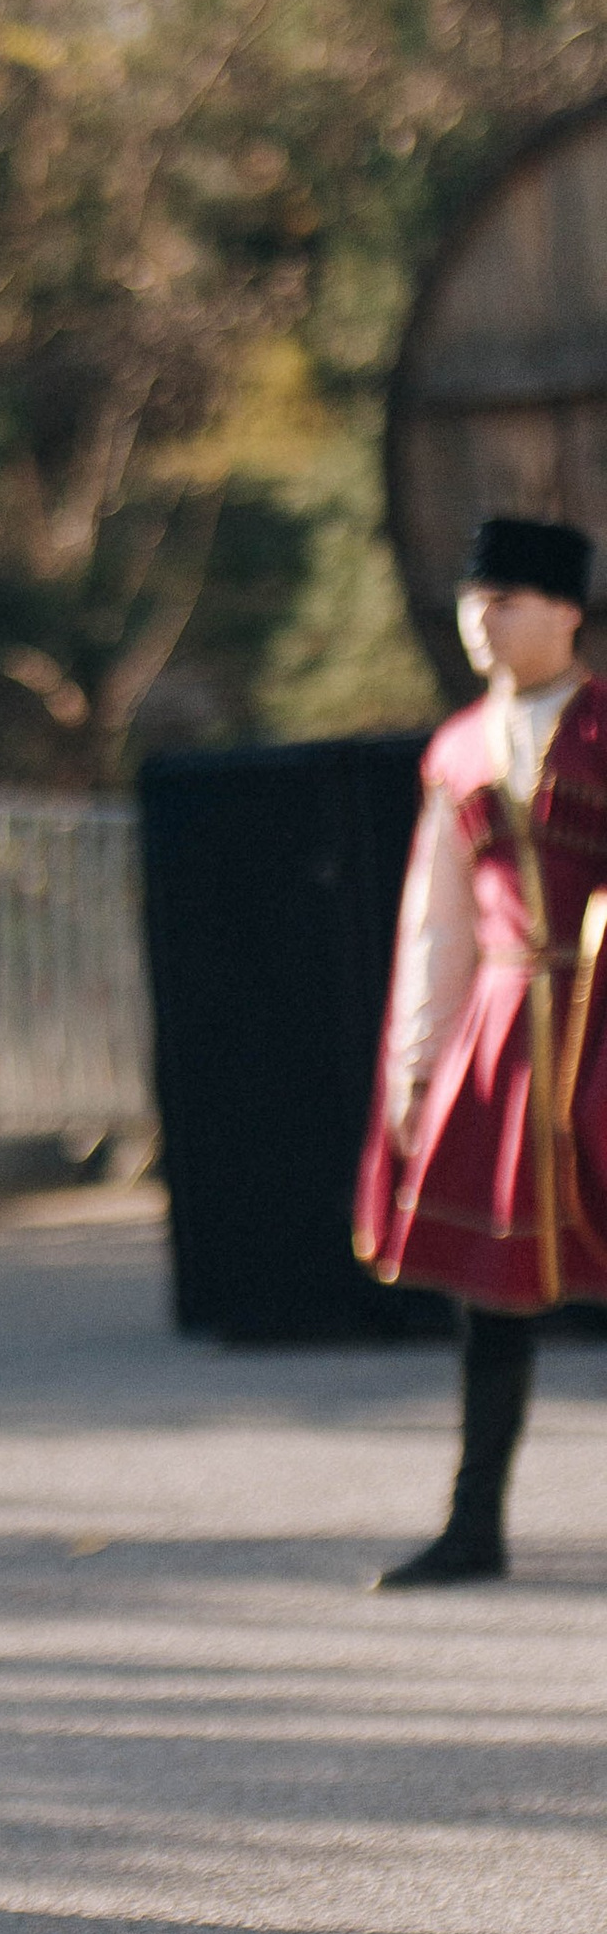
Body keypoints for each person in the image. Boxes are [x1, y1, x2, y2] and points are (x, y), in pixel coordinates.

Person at [356, 509, 607, 1588]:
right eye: (471, 599)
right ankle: (473, 1526)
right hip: (502, 1033)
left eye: (501, 598)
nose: (479, 618)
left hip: (601, 1025)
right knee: (489, 1294)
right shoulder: (455, 749)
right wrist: (416, 1063)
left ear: (562, 610)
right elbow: (436, 918)